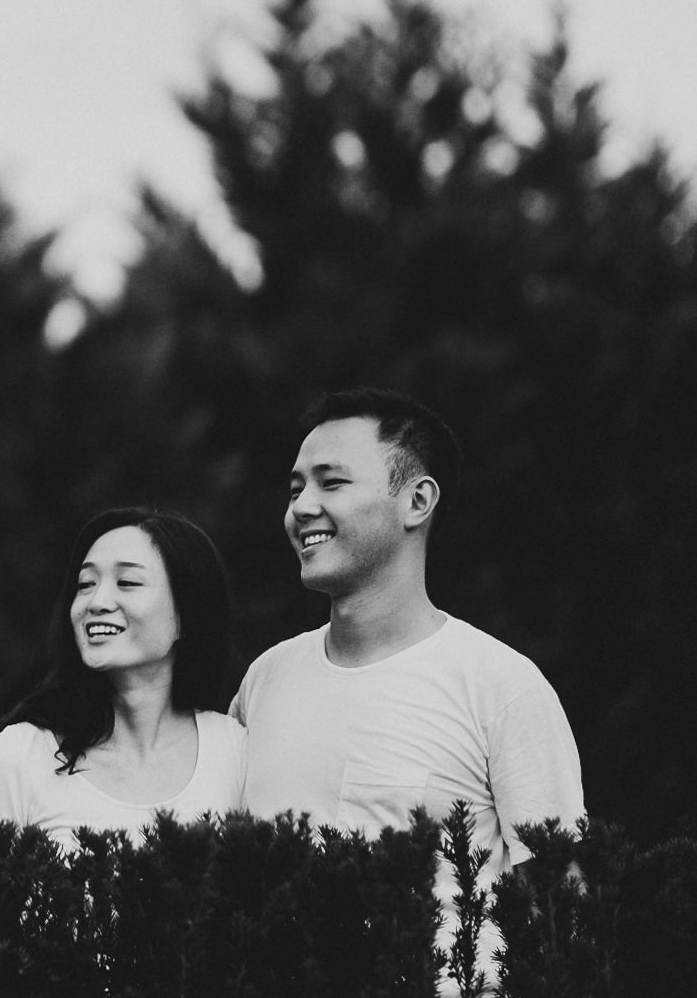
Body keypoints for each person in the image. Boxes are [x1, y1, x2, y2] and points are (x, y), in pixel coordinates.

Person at [233, 389, 584, 983]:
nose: (301, 508)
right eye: (295, 490)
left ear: (416, 500)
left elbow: (561, 914)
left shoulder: (501, 687)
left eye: (331, 483)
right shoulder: (266, 679)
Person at [0, 506, 244, 853]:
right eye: (85, 584)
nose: (96, 602)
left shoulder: (235, 752)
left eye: (127, 582)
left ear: (187, 614)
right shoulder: (19, 756)